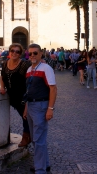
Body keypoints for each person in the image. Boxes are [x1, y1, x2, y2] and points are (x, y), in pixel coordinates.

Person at [23, 43, 57, 174]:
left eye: (35, 53)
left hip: (41, 106)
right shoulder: (29, 70)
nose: (32, 55)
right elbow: (28, 90)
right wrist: (26, 107)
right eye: (30, 53)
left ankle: (40, 169)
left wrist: (50, 108)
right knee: (36, 138)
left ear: (41, 53)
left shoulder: (46, 68)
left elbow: (53, 89)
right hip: (31, 106)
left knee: (39, 139)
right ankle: (44, 164)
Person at [0, 43, 31, 147]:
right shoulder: (5, 63)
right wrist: (1, 87)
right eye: (12, 51)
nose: (14, 53)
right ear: (9, 52)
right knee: (23, 115)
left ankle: (26, 137)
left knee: (25, 116)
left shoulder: (24, 64)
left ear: (20, 54)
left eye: (17, 52)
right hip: (11, 95)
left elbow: (32, 74)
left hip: (22, 95)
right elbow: (2, 76)